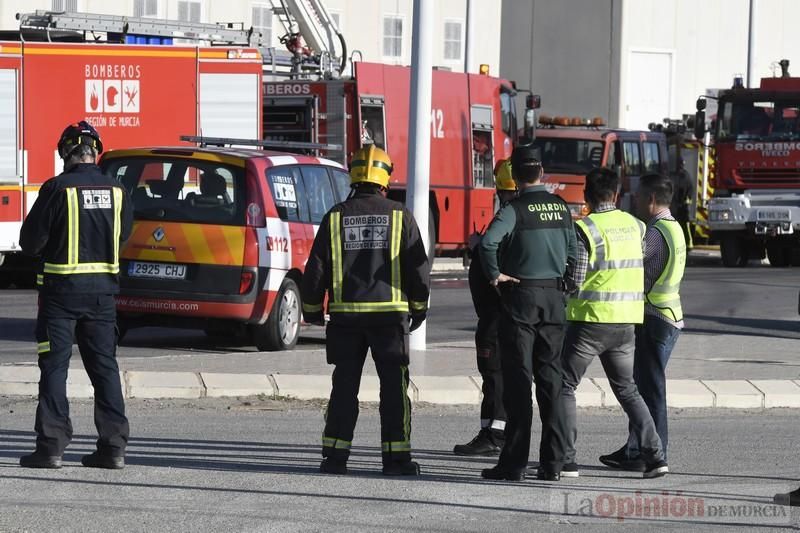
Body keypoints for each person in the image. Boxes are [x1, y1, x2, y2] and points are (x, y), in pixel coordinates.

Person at [301, 145, 430, 476]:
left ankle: (334, 457)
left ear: (354, 175)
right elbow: (418, 270)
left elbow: (315, 270)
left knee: (344, 388)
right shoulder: (400, 216)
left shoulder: (335, 216)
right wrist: (418, 309)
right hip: (390, 321)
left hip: (346, 320)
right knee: (394, 390)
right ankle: (396, 460)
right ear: (385, 178)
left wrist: (313, 310)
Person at [18, 121, 133, 469]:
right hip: (102, 298)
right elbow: (123, 235)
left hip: (60, 296)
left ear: (66, 152)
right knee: (105, 370)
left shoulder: (57, 188)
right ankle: (113, 448)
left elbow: (30, 243)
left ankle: (51, 447)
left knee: (55, 369)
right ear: (95, 151)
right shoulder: (117, 190)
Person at [560, 167, 668, 479]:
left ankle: (567, 460)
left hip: (590, 323)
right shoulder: (637, 226)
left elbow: (575, 279)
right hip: (626, 324)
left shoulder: (586, 228)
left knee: (565, 386)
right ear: (617, 195)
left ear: (586, 195)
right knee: (628, 390)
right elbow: (641, 260)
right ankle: (656, 456)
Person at [478, 145, 576, 482]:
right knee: (552, 382)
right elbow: (575, 253)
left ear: (517, 176)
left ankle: (514, 463)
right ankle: (554, 464)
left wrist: (495, 275)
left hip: (521, 297)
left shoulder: (515, 209)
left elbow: (488, 242)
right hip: (553, 297)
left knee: (519, 382)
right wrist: (566, 286)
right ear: (542, 171)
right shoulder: (561, 208)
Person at [599, 173, 686, 471]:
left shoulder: (655, 233)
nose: (632, 200)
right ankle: (635, 448)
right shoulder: (673, 227)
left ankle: (651, 454)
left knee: (649, 391)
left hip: (655, 318)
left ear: (650, 199)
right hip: (668, 316)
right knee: (645, 388)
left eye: (637, 196)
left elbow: (631, 263)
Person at [452, 160, 517, 456]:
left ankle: (495, 434)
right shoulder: (527, 220)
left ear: (504, 192)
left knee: (495, 374)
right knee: (503, 375)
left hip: (497, 313)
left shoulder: (507, 219)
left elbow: (495, 253)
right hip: (513, 313)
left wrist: (478, 246)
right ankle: (497, 432)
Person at [670, 158, 693, 249]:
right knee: (678, 225)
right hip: (677, 204)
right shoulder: (676, 175)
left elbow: (689, 189)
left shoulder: (685, 176)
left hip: (684, 205)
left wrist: (686, 199)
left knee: (685, 225)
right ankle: (682, 243)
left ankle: (689, 244)